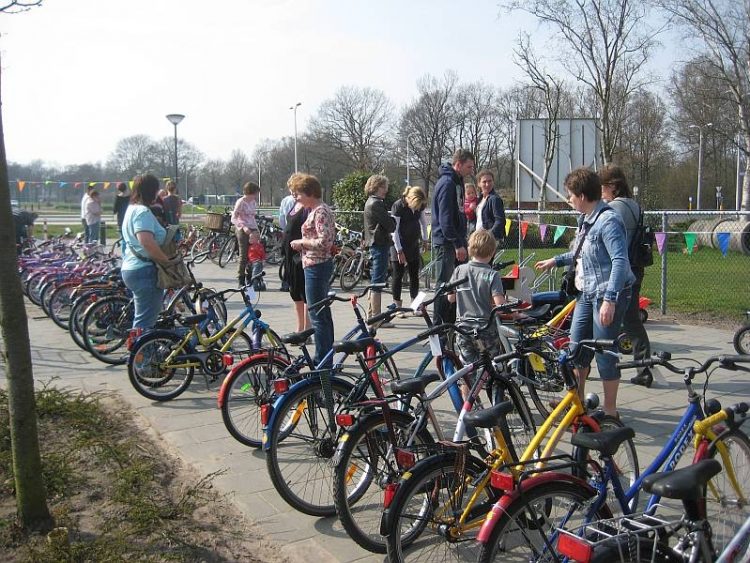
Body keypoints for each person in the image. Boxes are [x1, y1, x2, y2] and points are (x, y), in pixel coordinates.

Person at [535, 167, 634, 418]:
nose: (568, 200)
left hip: (606, 295)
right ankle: (576, 404)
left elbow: (620, 261)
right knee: (576, 349)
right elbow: (581, 253)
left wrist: (610, 300)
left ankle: (610, 412)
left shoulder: (608, 220)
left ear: (581, 195)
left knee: (604, 354)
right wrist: (555, 261)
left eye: (570, 195)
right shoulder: (587, 219)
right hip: (586, 294)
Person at [600, 164, 653, 388]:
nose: (600, 191)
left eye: (602, 187)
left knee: (610, 321)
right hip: (636, 267)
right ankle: (644, 367)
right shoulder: (634, 205)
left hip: (621, 271)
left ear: (612, 186)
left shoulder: (614, 208)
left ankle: (608, 368)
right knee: (631, 320)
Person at [289, 174, 335, 369]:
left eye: (298, 193)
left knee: (317, 314)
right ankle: (326, 356)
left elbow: (325, 241)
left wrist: (302, 243)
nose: (295, 197)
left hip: (317, 266)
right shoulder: (315, 210)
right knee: (321, 314)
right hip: (314, 265)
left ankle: (322, 361)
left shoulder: (320, 211)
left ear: (309, 192)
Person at [448, 230, 507, 367]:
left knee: (467, 371)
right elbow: (500, 306)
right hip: (485, 329)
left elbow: (451, 298)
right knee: (493, 367)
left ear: (470, 249)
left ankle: (468, 388)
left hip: (463, 328)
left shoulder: (459, 270)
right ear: (493, 252)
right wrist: (515, 312)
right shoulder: (492, 275)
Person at [431, 148, 475, 325]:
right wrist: (458, 244)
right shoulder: (447, 184)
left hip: (455, 240)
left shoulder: (457, 182)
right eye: (469, 167)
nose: (471, 171)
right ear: (458, 164)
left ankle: (450, 323)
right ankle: (438, 326)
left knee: (455, 285)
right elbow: (445, 219)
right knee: (443, 284)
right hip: (447, 243)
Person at [121, 174, 169, 330]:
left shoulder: (131, 209)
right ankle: (142, 353)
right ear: (151, 191)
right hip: (144, 271)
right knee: (145, 323)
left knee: (142, 317)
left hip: (132, 267)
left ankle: (139, 351)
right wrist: (166, 262)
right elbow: (146, 241)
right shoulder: (143, 212)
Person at [363, 174, 396, 322]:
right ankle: (376, 318)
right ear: (376, 187)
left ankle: (372, 315)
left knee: (375, 280)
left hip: (375, 242)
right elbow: (390, 225)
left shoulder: (370, 202)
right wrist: (393, 220)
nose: (386, 190)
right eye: (383, 187)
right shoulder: (376, 204)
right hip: (379, 243)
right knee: (377, 281)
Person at [390, 186, 428, 311]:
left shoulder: (420, 206)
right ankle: (397, 306)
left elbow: (423, 222)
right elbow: (394, 231)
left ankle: (415, 304)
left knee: (414, 275)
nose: (418, 208)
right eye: (417, 205)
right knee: (398, 275)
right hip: (398, 244)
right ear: (411, 199)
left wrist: (425, 239)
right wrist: (399, 251)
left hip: (413, 244)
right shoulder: (398, 206)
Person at [282, 175, 310, 332]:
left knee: (303, 291)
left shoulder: (307, 208)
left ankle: (307, 328)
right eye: (291, 190)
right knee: (295, 292)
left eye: (295, 189)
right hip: (289, 254)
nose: (292, 192)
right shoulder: (294, 205)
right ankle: (299, 327)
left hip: (300, 255)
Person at [231, 182, 261, 287]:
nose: (256, 196)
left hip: (252, 228)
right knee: (243, 255)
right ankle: (241, 279)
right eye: (255, 193)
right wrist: (243, 227)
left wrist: (257, 231)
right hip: (242, 229)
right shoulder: (241, 202)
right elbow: (234, 217)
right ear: (250, 192)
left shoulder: (253, 202)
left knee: (253, 254)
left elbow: (252, 217)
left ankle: (250, 278)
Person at [474, 169, 506, 245]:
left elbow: (500, 221)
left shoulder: (495, 199)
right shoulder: (480, 199)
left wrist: (489, 235)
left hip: (489, 240)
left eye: (490, 181)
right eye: (484, 182)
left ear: (493, 182)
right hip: (478, 238)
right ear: (479, 183)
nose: (487, 184)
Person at [278, 185, 297, 293]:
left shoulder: (285, 200)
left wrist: (284, 229)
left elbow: (281, 217)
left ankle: (285, 282)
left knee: (287, 259)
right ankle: (292, 282)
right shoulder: (299, 202)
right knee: (295, 259)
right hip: (296, 233)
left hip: (287, 232)